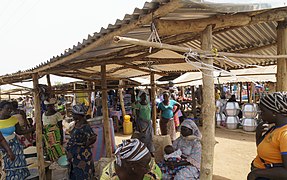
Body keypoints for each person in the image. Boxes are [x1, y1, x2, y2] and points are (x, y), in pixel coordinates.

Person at [248, 92, 287, 180]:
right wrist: (258, 135)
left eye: (263, 111)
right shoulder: (275, 128)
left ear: (274, 112)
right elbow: (265, 151)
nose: (260, 115)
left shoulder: (285, 135)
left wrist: (256, 174)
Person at [0, 101, 30, 179]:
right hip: (2, 147)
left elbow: (19, 132)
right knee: (6, 166)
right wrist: (9, 151)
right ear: (1, 109)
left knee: (18, 163)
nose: (10, 110)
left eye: (11, 109)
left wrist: (32, 129)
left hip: (15, 144)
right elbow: (1, 139)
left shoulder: (13, 119)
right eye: (8, 109)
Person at [66, 105, 97, 180]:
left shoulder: (85, 126)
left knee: (83, 173)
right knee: (75, 173)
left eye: (74, 114)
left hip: (82, 155)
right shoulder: (77, 124)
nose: (72, 115)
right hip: (75, 155)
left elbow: (93, 137)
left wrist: (86, 144)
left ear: (79, 115)